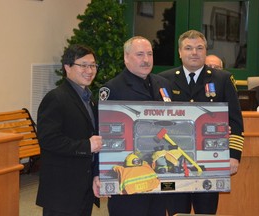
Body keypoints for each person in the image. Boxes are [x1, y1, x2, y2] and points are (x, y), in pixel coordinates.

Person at [159, 30, 244, 215]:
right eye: (188, 48)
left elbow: (235, 120)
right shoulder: (164, 79)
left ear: (205, 51)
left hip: (210, 160)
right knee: (176, 211)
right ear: (180, 52)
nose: (194, 53)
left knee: (206, 211)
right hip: (174, 161)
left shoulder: (222, 79)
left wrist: (234, 155)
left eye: (199, 48)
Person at [99, 36, 172, 216]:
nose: (146, 60)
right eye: (140, 54)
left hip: (157, 173)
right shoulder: (112, 89)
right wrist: (102, 175)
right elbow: (101, 134)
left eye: (149, 54)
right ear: (126, 57)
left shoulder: (163, 84)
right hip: (129, 173)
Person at [36, 44, 103, 216]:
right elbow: (48, 140)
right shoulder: (56, 98)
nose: (90, 70)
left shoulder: (90, 98)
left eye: (93, 65)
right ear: (67, 67)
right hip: (62, 191)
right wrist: (85, 146)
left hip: (84, 187)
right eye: (83, 65)